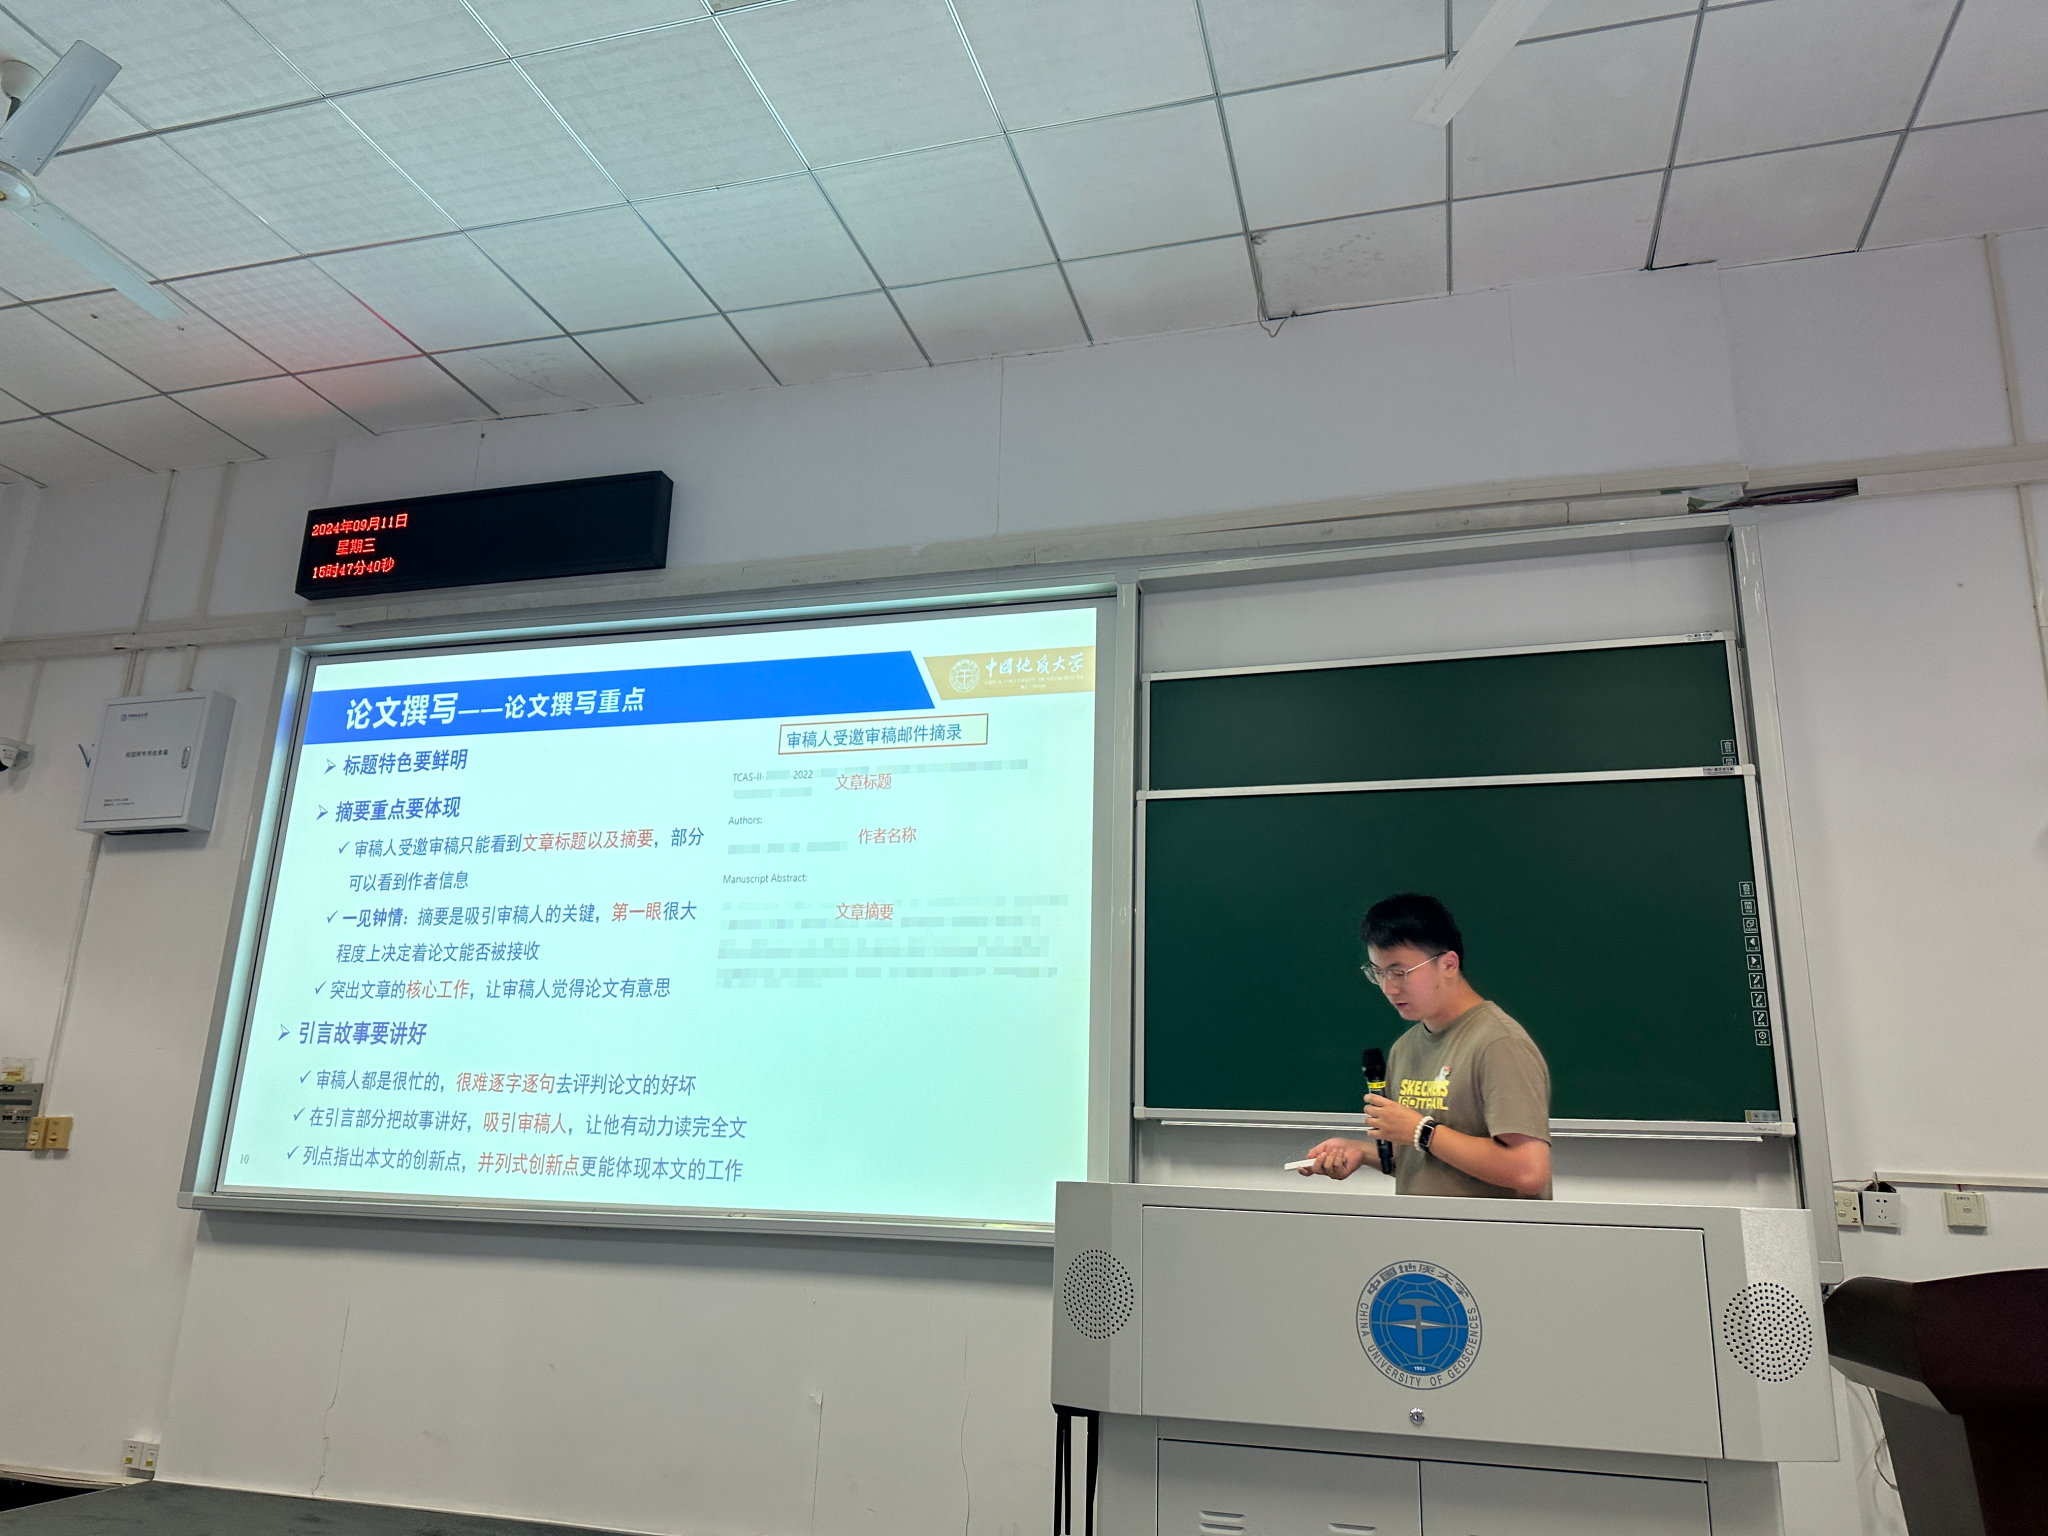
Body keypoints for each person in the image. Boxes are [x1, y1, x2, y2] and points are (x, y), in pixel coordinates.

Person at [1298, 893, 1552, 1199]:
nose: (1389, 988)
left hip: (1487, 1229)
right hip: (1420, 1225)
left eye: (1399, 973)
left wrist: (1423, 1132)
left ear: (1448, 964)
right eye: (1378, 973)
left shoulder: (1498, 1044)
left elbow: (1528, 1172)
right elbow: (1425, 1158)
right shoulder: (1404, 1048)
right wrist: (1361, 1152)